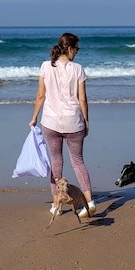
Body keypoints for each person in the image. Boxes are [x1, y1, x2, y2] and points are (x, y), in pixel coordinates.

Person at [29, 32, 96, 218]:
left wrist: (34, 117)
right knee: (78, 162)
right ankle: (90, 202)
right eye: (77, 49)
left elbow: (40, 95)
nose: (77, 53)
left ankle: (56, 206)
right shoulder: (78, 69)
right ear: (70, 48)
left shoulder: (45, 67)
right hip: (74, 122)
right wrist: (87, 120)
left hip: (50, 121)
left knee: (56, 162)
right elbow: (82, 99)